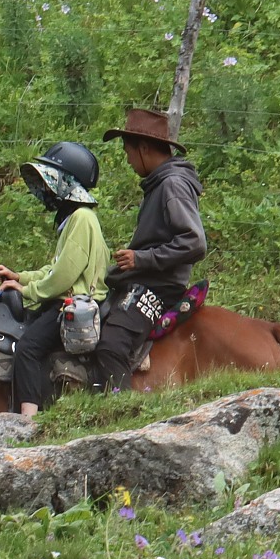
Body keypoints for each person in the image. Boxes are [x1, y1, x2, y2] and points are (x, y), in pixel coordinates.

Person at [0, 141, 111, 416]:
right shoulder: (76, 218)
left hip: (73, 303)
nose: (45, 190)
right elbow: (56, 269)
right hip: (68, 297)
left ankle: (28, 421)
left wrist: (27, 291)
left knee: (28, 348)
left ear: (67, 183)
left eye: (50, 182)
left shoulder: (81, 219)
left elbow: (63, 276)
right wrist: (20, 276)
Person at [89, 106, 206, 390]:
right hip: (148, 279)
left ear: (143, 148)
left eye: (128, 153)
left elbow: (195, 242)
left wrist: (142, 259)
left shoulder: (172, 186)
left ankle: (121, 413)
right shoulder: (160, 185)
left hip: (157, 288)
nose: (128, 161)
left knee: (110, 346)